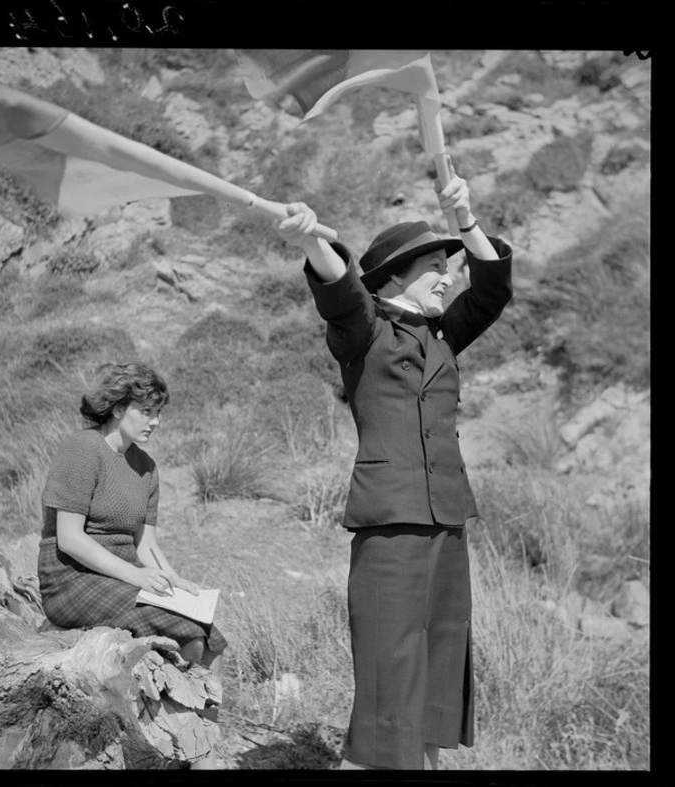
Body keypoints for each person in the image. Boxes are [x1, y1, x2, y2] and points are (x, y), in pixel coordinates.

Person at [274, 163, 513, 770]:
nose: (447, 278)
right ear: (396, 278)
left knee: (440, 648)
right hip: (391, 520)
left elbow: (492, 291)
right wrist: (311, 239)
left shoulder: (441, 337)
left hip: (447, 518)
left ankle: (426, 761)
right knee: (391, 659)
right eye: (436, 267)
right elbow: (340, 289)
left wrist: (465, 218)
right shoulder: (367, 332)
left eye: (450, 267)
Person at [37, 361, 227, 769]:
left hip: (122, 577)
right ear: (118, 407)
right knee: (185, 633)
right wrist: (138, 576)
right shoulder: (82, 449)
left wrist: (174, 579)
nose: (155, 421)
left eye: (159, 413)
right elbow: (70, 538)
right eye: (146, 411)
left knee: (207, 637)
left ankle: (197, 741)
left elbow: (147, 543)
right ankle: (172, 750)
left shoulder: (147, 467)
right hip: (71, 578)